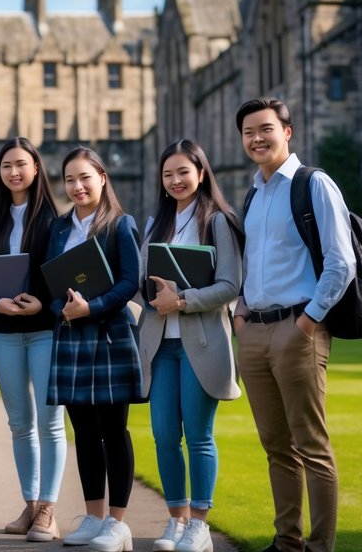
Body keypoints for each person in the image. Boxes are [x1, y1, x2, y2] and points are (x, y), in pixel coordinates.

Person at [233, 98, 353, 552]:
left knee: (312, 446)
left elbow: (342, 263)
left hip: (297, 329)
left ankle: (320, 547)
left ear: (288, 131)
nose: (257, 138)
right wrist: (241, 313)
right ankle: (288, 543)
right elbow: (253, 265)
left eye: (266, 128)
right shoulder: (254, 192)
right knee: (276, 447)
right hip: (254, 330)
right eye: (249, 132)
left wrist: (307, 322)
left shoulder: (313, 184)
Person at [137, 140, 243, 552]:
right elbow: (144, 282)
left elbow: (231, 285)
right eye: (168, 174)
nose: (176, 180)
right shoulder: (155, 225)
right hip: (161, 345)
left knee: (198, 435)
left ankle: (199, 525)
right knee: (164, 435)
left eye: (184, 171)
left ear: (201, 173)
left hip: (200, 341)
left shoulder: (218, 221)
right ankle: (176, 519)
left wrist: (181, 300)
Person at [45, 146, 142, 552]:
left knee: (113, 430)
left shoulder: (120, 224)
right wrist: (64, 311)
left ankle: (118, 524)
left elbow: (130, 281)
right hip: (71, 333)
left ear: (102, 178)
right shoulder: (60, 228)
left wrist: (92, 308)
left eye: (85, 177)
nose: (77, 186)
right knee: (83, 430)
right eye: (69, 179)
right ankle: (93, 516)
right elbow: (49, 283)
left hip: (109, 333)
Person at [0, 138, 64, 543]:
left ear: (35, 168)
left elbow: (61, 278)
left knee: (50, 421)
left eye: (21, 164)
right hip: (6, 332)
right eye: (7, 166)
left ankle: (48, 508)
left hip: (45, 328)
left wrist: (40, 305)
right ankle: (29, 506)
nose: (14, 172)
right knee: (18, 424)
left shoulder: (53, 220)